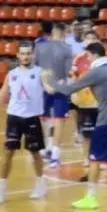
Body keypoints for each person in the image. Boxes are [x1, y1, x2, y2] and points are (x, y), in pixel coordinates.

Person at [43, 42, 107, 210]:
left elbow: (69, 90)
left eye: (88, 56)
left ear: (95, 55)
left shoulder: (96, 72)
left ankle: (90, 197)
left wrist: (50, 81)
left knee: (94, 159)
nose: (87, 59)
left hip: (106, 121)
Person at [0, 42, 48, 204]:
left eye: (28, 53)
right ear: (17, 55)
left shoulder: (40, 72)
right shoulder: (12, 74)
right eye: (23, 53)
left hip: (32, 117)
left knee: (35, 153)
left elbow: (50, 89)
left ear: (33, 55)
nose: (26, 56)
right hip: (14, 117)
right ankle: (0, 189)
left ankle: (41, 185)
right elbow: (2, 94)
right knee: (8, 152)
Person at [35, 22, 74, 168]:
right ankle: (54, 152)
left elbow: (36, 68)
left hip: (46, 87)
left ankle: (49, 148)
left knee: (47, 118)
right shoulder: (66, 48)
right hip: (58, 86)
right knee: (58, 119)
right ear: (63, 33)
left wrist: (46, 84)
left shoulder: (40, 46)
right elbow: (67, 72)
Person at [70, 29, 101, 180]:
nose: (89, 41)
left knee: (103, 134)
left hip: (101, 102)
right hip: (85, 103)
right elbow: (73, 77)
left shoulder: (106, 58)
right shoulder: (78, 59)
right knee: (87, 135)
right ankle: (88, 165)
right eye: (87, 39)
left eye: (92, 39)